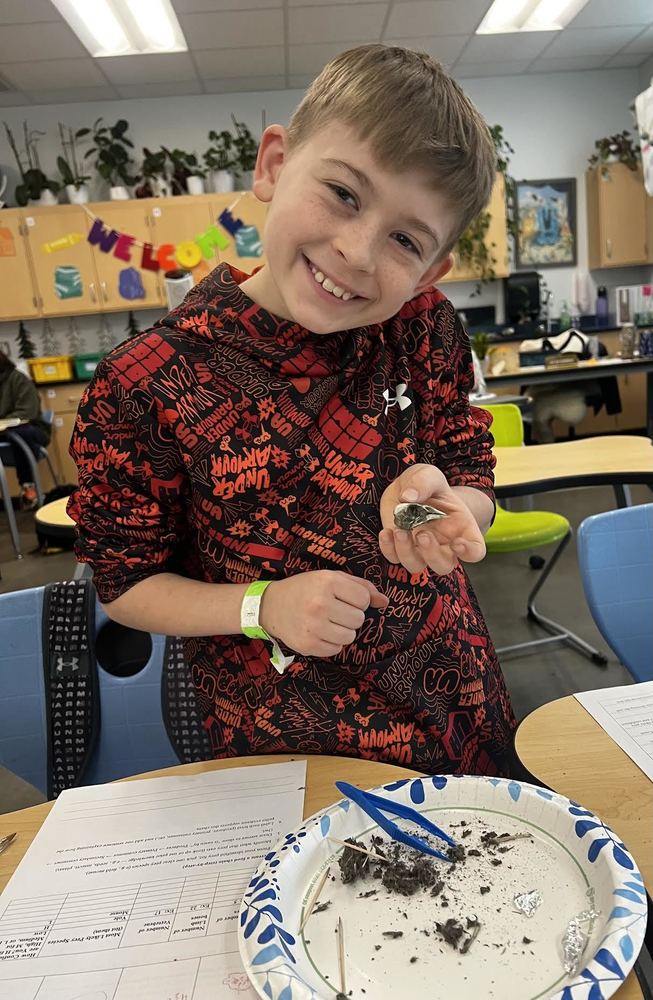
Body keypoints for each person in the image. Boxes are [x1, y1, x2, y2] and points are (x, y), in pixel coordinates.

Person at [68, 45, 516, 776]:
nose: (356, 250)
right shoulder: (146, 381)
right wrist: (261, 607)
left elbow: (468, 474)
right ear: (274, 164)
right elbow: (126, 586)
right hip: (284, 743)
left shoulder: (422, 326)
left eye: (404, 239)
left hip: (457, 707)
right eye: (343, 193)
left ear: (431, 269)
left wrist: (451, 510)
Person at [0, 351, 50, 509]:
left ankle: (28, 485)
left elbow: (27, 412)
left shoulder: (18, 379)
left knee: (21, 434)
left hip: (30, 429)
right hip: (4, 435)